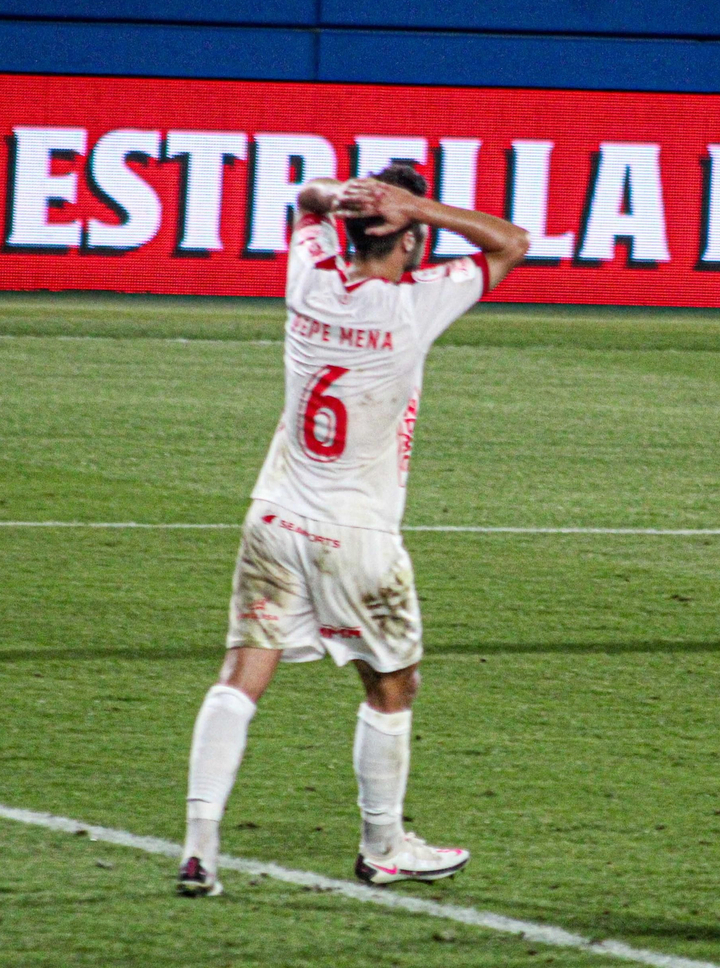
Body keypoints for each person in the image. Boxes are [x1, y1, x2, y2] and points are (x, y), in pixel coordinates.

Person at [175, 164, 529, 896]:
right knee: (393, 689)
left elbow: (304, 204)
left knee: (243, 673)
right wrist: (418, 205)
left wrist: (335, 198)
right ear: (411, 241)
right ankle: (383, 846)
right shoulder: (414, 304)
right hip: (357, 534)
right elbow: (511, 242)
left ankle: (198, 847)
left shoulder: (306, 275)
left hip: (274, 516)